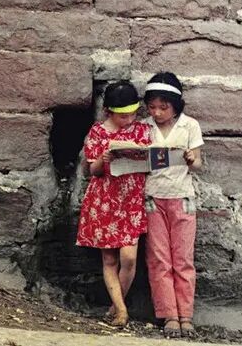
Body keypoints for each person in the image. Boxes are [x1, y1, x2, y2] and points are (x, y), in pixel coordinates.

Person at [76, 80, 151, 328]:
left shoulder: (142, 131)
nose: (128, 120)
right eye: (122, 116)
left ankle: (114, 306)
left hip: (131, 201)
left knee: (129, 258)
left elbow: (151, 163)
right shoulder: (98, 132)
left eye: (132, 114)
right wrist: (103, 157)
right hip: (105, 200)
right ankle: (120, 310)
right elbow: (94, 171)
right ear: (108, 111)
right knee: (109, 260)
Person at [144, 71, 204, 338]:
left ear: (176, 106)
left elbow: (198, 164)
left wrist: (191, 159)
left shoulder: (189, 126)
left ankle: (186, 315)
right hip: (153, 199)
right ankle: (169, 315)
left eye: (163, 107)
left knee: (183, 259)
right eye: (152, 107)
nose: (157, 113)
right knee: (159, 259)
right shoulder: (144, 128)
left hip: (182, 198)